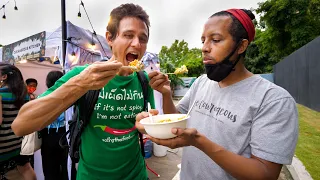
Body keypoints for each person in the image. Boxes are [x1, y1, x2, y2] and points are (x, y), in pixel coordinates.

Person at [136, 8, 299, 180]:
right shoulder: (201, 82)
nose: (205, 48)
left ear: (241, 46)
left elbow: (265, 174)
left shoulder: (273, 100)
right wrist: (167, 94)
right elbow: (176, 118)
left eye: (215, 40)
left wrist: (199, 142)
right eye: (203, 40)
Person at [12, 3, 154, 180]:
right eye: (128, 35)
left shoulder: (143, 79)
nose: (137, 44)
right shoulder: (84, 75)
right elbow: (21, 125)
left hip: (137, 175)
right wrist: (80, 84)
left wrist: (148, 122)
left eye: (143, 38)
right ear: (109, 38)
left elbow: (150, 122)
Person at [0, 63, 36, 180]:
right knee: (25, 168)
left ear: (4, 76)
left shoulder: (1, 94)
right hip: (19, 144)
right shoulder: (24, 95)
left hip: (2, 146)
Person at [40, 71, 68, 180]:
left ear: (47, 82)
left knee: (49, 167)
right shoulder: (69, 96)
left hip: (48, 135)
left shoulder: (43, 97)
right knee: (66, 166)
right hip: (64, 133)